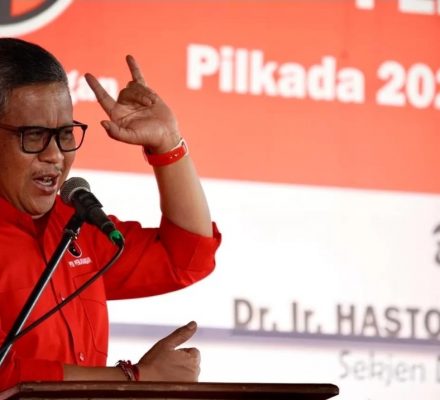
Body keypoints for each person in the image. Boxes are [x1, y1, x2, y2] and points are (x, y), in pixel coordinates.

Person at [0, 38, 221, 390]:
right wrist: (133, 378)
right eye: (35, 135)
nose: (55, 155)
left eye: (65, 134)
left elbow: (186, 258)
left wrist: (167, 144)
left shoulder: (78, 226)